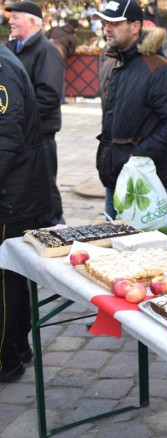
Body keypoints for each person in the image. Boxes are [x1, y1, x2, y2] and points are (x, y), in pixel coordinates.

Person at [92, 0, 167, 221]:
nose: (107, 27)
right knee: (114, 250)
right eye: (105, 22)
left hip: (146, 181)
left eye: (115, 22)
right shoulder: (110, 62)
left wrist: (136, 156)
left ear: (135, 27)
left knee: (153, 252)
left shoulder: (158, 68)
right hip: (113, 177)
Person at [0, 45, 52, 382]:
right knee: (12, 281)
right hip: (17, 193)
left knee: (5, 284)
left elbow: (5, 137)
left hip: (10, 196)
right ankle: (17, 349)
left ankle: (5, 360)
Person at [5, 0, 65, 226]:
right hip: (18, 135)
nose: (10, 21)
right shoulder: (11, 49)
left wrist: (19, 120)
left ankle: (57, 233)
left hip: (39, 137)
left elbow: (48, 97)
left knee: (46, 191)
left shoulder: (47, 51)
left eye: (15, 17)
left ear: (32, 21)